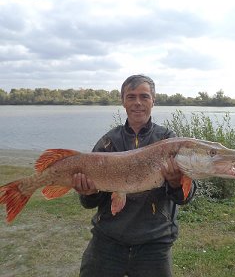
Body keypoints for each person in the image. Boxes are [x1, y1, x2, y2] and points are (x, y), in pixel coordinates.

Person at [72, 74, 197, 277]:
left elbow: (184, 197)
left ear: (153, 101)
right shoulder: (108, 142)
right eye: (131, 97)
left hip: (154, 244)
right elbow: (89, 203)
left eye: (144, 96)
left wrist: (175, 182)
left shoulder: (169, 140)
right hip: (107, 242)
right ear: (123, 101)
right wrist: (88, 192)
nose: (137, 103)